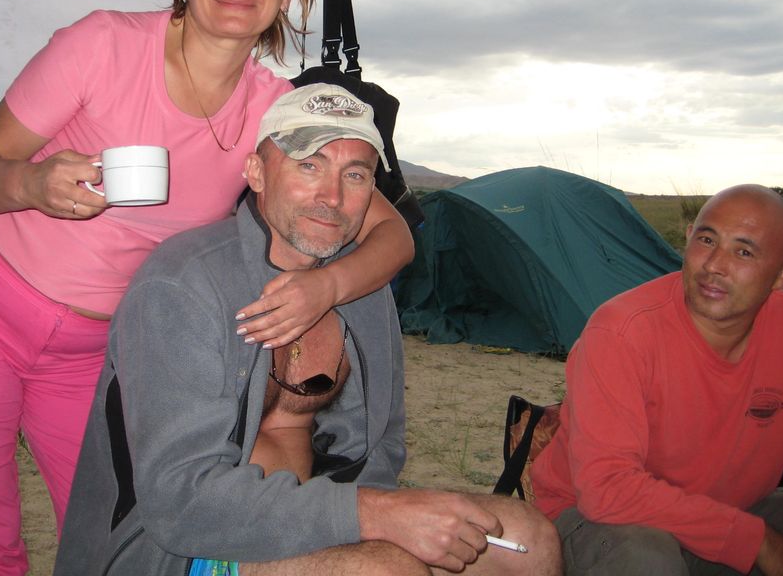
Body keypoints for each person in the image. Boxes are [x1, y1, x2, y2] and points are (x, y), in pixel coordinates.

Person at [0, 0, 413, 576]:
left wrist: (327, 287)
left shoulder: (271, 110)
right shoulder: (102, 46)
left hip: (100, 347)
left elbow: (392, 235)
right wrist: (30, 184)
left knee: (116, 534)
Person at [54, 83, 562, 576]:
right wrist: (374, 516)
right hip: (182, 547)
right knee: (385, 571)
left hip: (321, 515)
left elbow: (380, 446)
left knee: (528, 539)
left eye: (355, 175)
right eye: (309, 165)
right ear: (257, 173)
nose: (332, 197)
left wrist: (378, 514)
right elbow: (179, 501)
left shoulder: (364, 290)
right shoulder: (183, 284)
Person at [530, 184, 783, 576]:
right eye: (706, 240)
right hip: (600, 520)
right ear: (689, 237)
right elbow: (607, 488)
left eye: (743, 252)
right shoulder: (622, 331)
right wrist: (755, 541)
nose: (714, 265)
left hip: (732, 509)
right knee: (647, 557)